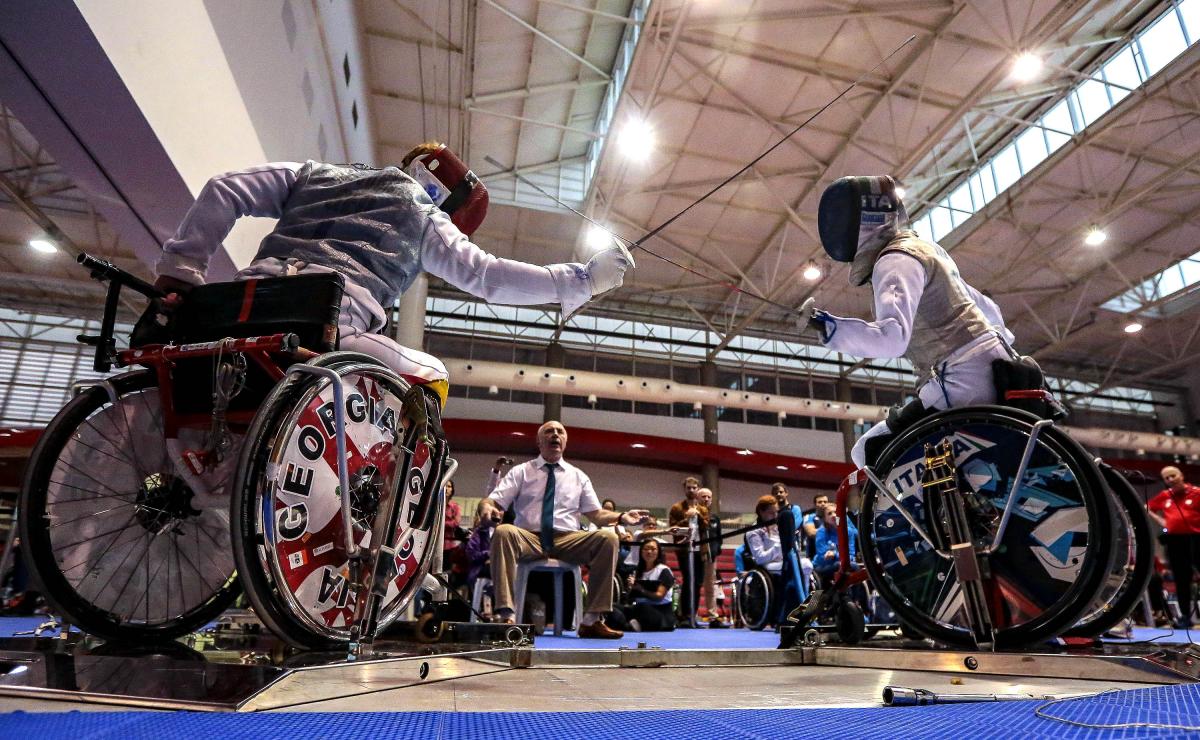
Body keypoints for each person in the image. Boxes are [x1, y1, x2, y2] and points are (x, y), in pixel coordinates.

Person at [151, 144, 635, 406]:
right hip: (326, 328)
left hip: (241, 306)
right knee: (435, 376)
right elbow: (487, 276)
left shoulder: (314, 172)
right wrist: (583, 279)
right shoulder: (426, 216)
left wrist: (180, 272)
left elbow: (224, 188)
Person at [803, 175, 1016, 468]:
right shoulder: (929, 251)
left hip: (960, 380)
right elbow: (988, 310)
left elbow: (892, 337)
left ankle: (935, 513)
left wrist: (831, 328)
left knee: (867, 450)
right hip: (998, 368)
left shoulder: (893, 260)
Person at [480, 421, 651, 638]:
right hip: (530, 538)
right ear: (539, 441)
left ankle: (590, 621)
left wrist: (622, 517)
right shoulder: (521, 472)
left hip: (567, 539)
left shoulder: (578, 476)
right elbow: (493, 501)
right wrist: (486, 508)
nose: (555, 435)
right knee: (504, 531)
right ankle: (507, 615)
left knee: (607, 538)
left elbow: (596, 514)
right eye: (549, 432)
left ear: (565, 441)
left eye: (560, 432)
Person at [1147, 465, 1200, 629]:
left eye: (1173, 475)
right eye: (1166, 478)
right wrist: (1162, 521)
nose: (1170, 480)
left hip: (1196, 539)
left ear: (1181, 475)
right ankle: (1185, 617)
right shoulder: (1165, 496)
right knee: (1181, 579)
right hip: (1175, 541)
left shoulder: (1197, 493)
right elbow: (1147, 507)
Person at [607, 539, 677, 633]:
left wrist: (641, 590)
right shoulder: (638, 570)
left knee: (643, 607)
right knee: (610, 607)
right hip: (639, 608)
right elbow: (631, 599)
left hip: (659, 612)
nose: (649, 552)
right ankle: (629, 625)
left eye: (653, 549)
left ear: (658, 552)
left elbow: (659, 596)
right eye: (646, 549)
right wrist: (631, 588)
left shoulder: (664, 571)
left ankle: (626, 624)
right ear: (641, 552)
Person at [668, 476, 708, 625]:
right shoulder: (677, 508)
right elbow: (673, 529)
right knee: (688, 580)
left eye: (694, 487)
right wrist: (686, 517)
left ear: (698, 489)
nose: (691, 490)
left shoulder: (703, 508)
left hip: (700, 549)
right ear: (684, 489)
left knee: (697, 582)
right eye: (688, 488)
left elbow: (706, 527)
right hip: (684, 548)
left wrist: (698, 515)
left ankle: (693, 614)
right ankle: (684, 615)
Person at [696, 487, 732, 627]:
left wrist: (716, 550)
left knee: (711, 587)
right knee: (694, 585)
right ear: (698, 499)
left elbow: (719, 537)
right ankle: (688, 616)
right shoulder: (694, 515)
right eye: (703, 496)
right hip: (696, 555)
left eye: (708, 497)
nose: (706, 499)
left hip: (712, 557)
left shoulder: (715, 518)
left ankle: (713, 617)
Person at [813, 506, 857, 587]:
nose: (833, 515)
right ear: (825, 518)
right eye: (829, 514)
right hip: (822, 565)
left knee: (854, 567)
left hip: (841, 564)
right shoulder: (821, 531)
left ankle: (856, 598)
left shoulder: (848, 531)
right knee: (840, 566)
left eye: (836, 512)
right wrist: (838, 556)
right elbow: (823, 556)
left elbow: (851, 555)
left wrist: (834, 554)